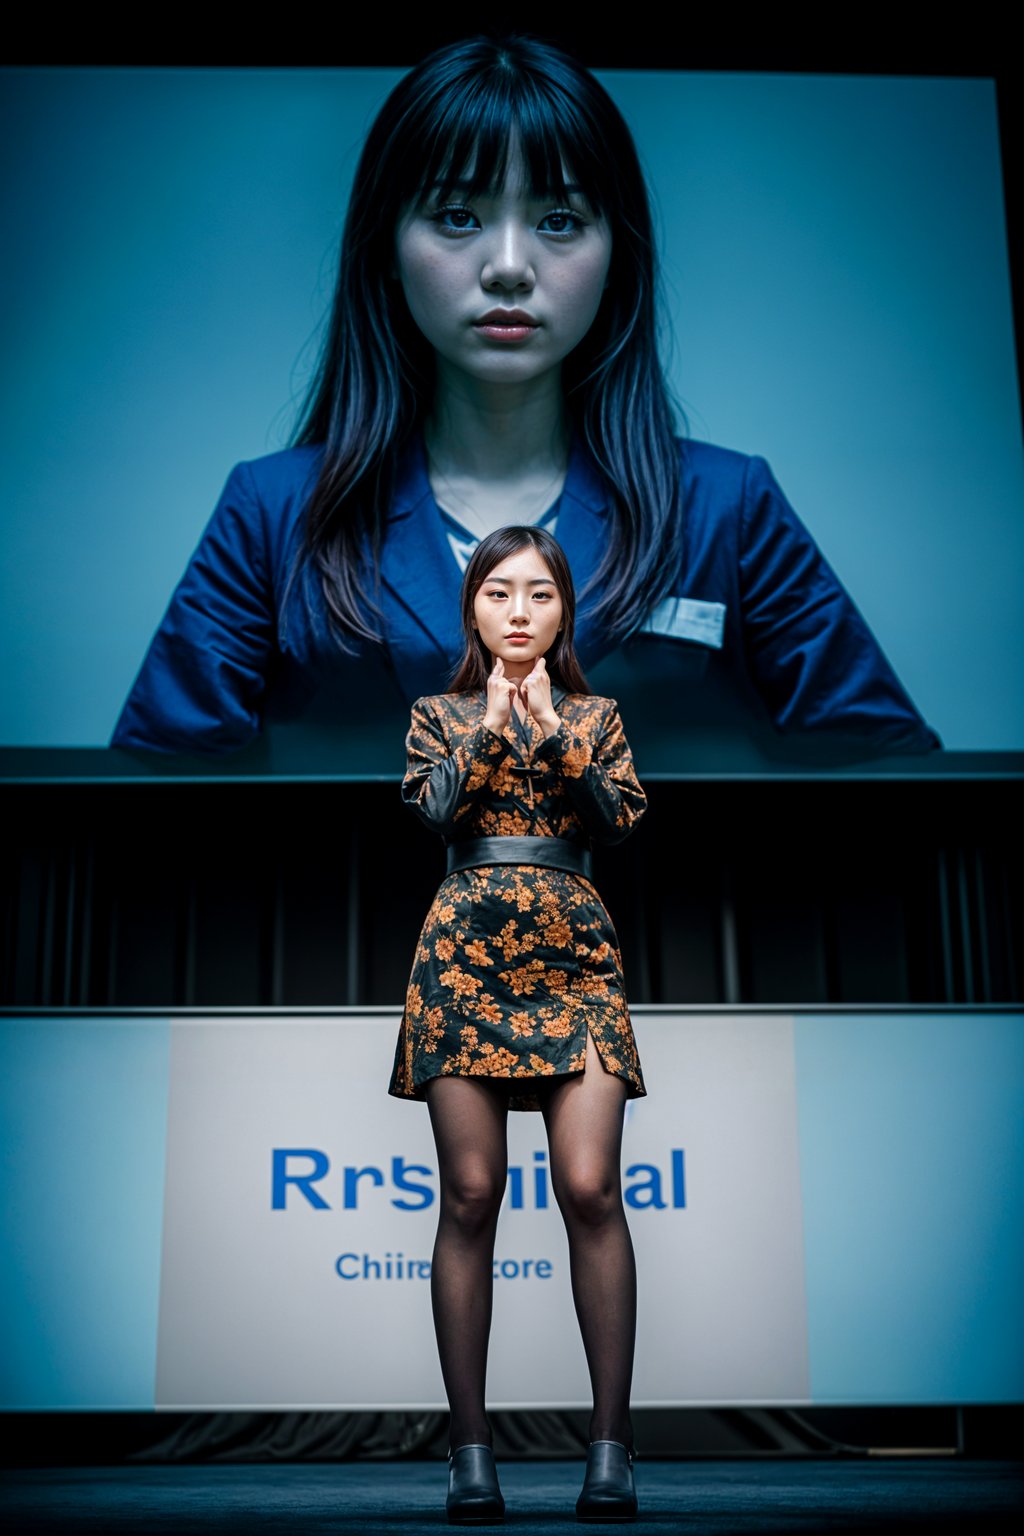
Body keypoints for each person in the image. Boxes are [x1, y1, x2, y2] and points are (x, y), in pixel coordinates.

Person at [109, 34, 941, 772]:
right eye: (459, 215)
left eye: (557, 218)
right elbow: (139, 822)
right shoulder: (272, 512)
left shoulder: (729, 507)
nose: (509, 265)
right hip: (352, 946)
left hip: (652, 945)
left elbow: (901, 798)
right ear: (385, 251)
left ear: (618, 255)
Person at [389, 523, 645, 1523]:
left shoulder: (597, 713)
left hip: (575, 951)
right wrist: (492, 725)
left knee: (588, 1188)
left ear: (563, 609)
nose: (519, 614)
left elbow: (619, 818)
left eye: (538, 595)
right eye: (499, 595)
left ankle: (610, 1449)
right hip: (462, 954)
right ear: (473, 609)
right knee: (469, 1194)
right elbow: (436, 811)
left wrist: (549, 731)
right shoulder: (436, 711)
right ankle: (469, 1452)